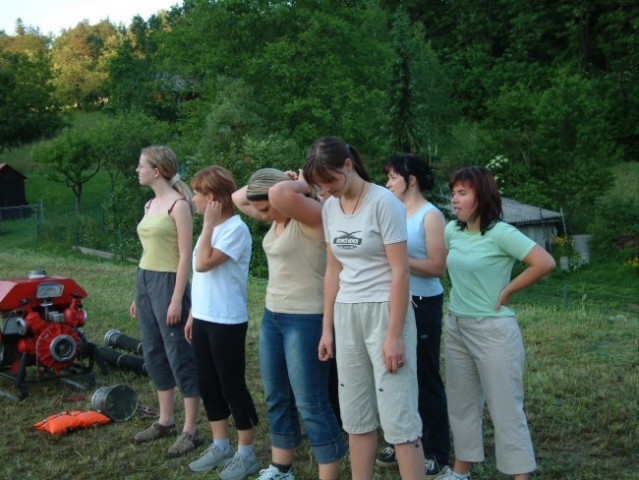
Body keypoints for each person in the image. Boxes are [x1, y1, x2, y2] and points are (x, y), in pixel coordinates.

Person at [303, 136, 425, 480]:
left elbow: (400, 271)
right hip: (347, 312)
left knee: (399, 417)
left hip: (385, 311)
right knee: (356, 418)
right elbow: (333, 270)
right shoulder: (329, 207)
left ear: (348, 165)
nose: (327, 190)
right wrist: (327, 329)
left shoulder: (384, 203)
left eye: (330, 181)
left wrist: (394, 336)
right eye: (320, 185)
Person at [436, 166, 556, 480]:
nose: (454, 200)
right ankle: (461, 472)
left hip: (493, 331)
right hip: (457, 326)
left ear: (482, 196)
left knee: (505, 409)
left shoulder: (501, 233)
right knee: (461, 405)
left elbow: (544, 262)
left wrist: (508, 289)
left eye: (462, 193)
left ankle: (520, 476)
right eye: (453, 193)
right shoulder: (452, 231)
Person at [232, 168, 347, 480]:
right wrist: (274, 179)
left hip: (307, 318)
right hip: (274, 316)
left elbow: (279, 196)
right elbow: (237, 197)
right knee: (276, 395)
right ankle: (281, 468)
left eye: (266, 207)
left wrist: (300, 183)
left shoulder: (312, 218)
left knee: (311, 401)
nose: (261, 214)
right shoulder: (278, 217)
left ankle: (329, 471)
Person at [184, 165, 259, 480]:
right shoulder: (214, 227)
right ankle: (220, 445)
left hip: (227, 321)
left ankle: (247, 453)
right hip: (204, 317)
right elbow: (201, 280)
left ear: (213, 198)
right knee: (208, 383)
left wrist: (207, 225)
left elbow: (202, 264)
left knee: (232, 385)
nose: (193, 200)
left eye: (197, 195)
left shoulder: (235, 230)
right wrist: (192, 314)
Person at [379, 154, 450, 478]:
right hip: (394, 300)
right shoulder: (390, 210)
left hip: (423, 301)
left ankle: (435, 449)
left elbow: (438, 266)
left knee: (424, 375)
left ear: (412, 180)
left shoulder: (430, 215)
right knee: (397, 373)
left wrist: (399, 259)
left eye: (393, 177)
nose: (388, 183)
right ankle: (402, 438)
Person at [130, 145, 201, 458]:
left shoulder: (179, 205)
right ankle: (165, 421)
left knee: (178, 352)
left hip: (168, 283)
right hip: (146, 281)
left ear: (156, 171)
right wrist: (138, 296)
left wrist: (175, 300)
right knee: (154, 350)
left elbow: (186, 256)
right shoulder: (150, 205)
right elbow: (147, 252)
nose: (137, 170)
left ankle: (190, 430)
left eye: (141, 165)